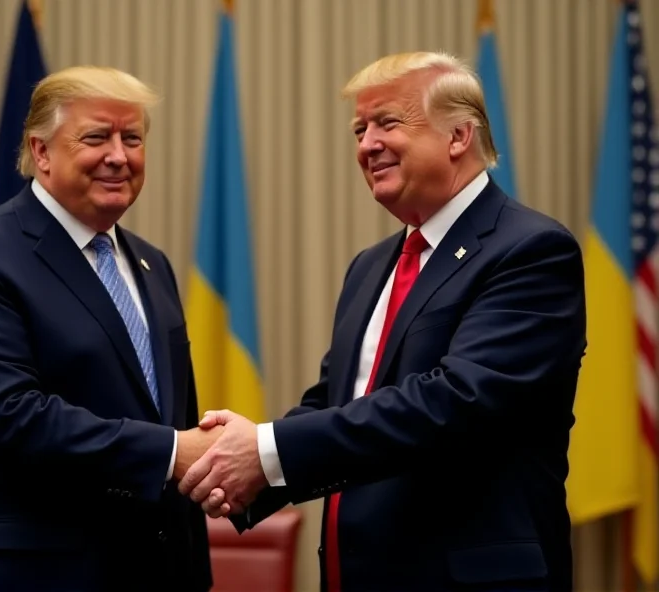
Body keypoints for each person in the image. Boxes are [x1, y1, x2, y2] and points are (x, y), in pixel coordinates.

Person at [179, 51, 585, 592]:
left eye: (387, 123)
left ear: (459, 136)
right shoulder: (371, 267)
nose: (366, 145)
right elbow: (338, 401)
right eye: (359, 129)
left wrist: (265, 451)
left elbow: (453, 402)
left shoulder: (531, 251)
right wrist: (239, 471)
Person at [0, 65, 220, 592]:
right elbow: (8, 416)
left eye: (132, 138)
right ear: (41, 153)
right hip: (35, 574)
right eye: (96, 137)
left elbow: (170, 412)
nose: (118, 156)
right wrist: (173, 453)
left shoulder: (152, 264)